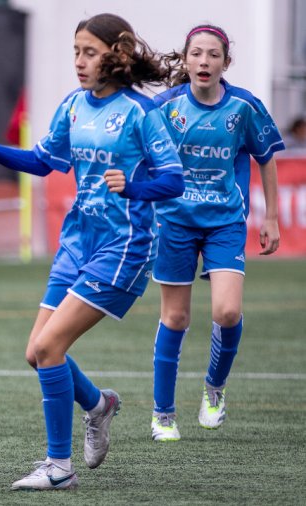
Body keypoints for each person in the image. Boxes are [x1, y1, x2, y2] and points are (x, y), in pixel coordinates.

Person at [0, 13, 184, 491]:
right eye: (76, 51)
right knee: (35, 353)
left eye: (89, 52)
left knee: (48, 347)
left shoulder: (141, 113)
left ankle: (59, 467)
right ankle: (99, 405)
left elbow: (174, 179)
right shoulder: (73, 105)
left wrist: (137, 185)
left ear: (115, 56)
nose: (79, 61)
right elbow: (41, 162)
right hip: (77, 242)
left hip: (123, 247)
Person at [148, 24, 284, 442]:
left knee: (226, 312)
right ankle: (163, 414)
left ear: (226, 62)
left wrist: (272, 217)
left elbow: (265, 157)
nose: (204, 61)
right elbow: (143, 157)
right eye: (197, 54)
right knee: (176, 316)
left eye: (213, 54)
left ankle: (214, 388)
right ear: (186, 60)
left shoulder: (244, 107)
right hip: (174, 222)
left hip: (225, 221)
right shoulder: (164, 108)